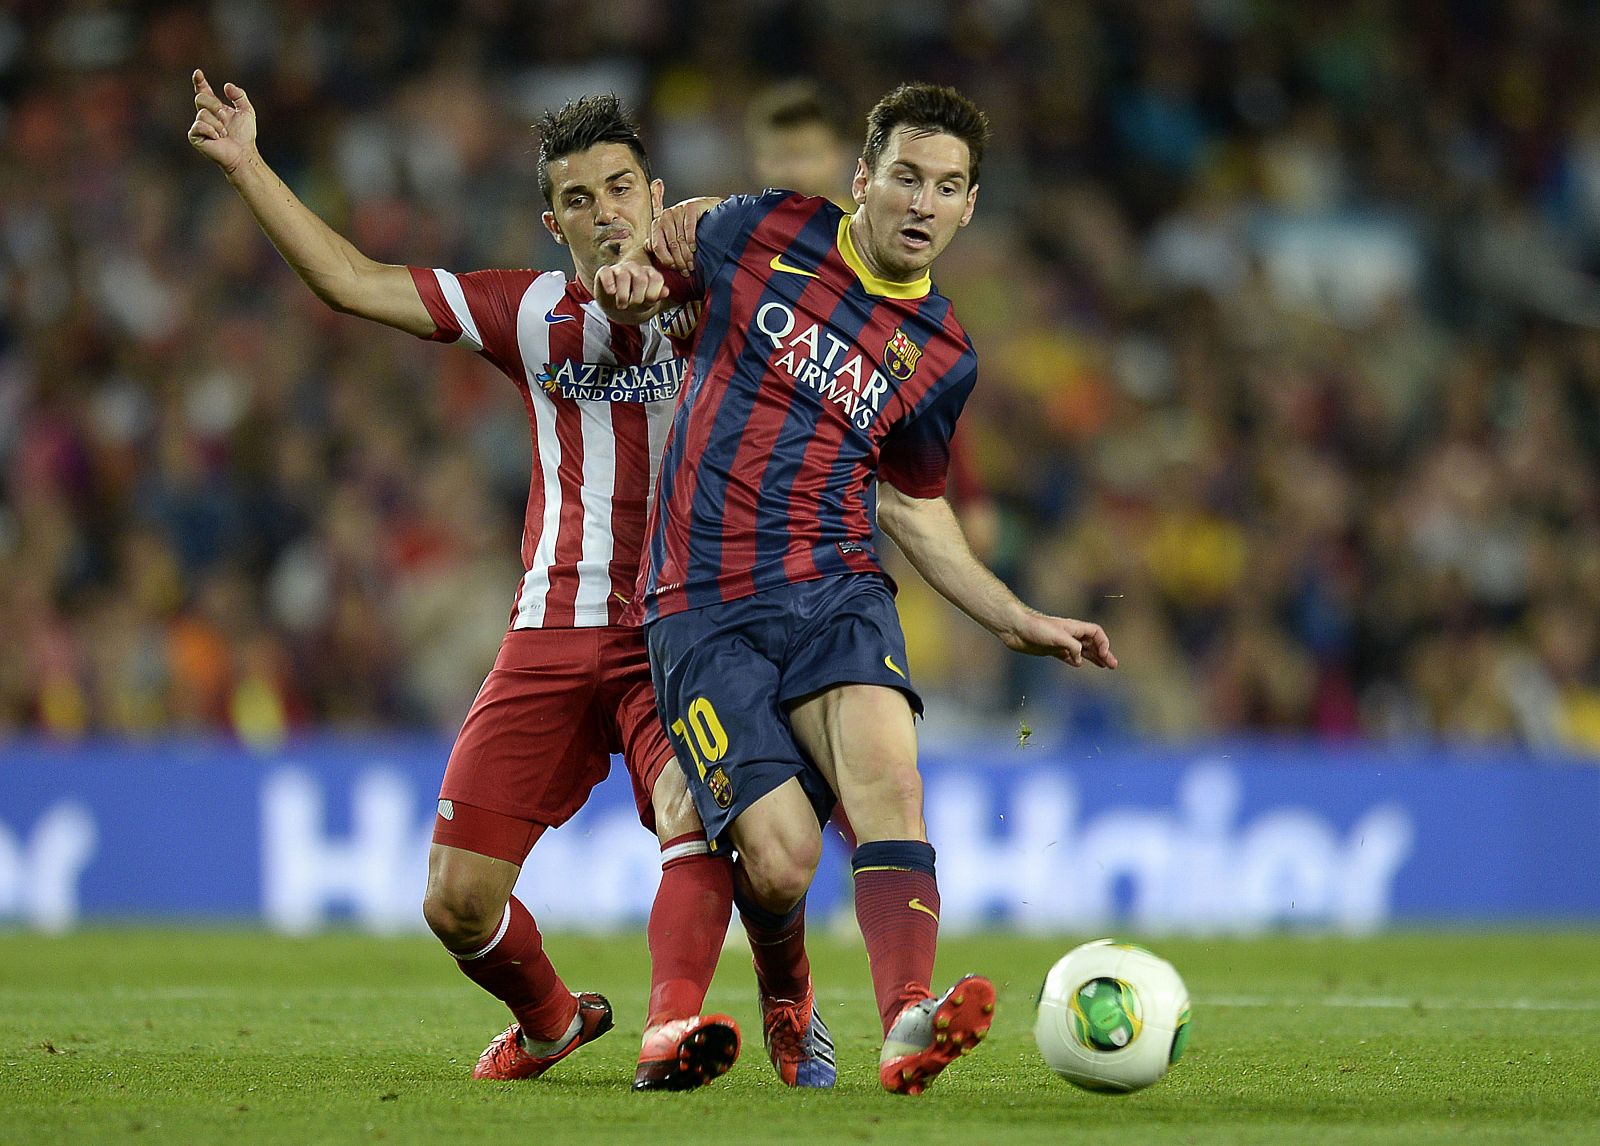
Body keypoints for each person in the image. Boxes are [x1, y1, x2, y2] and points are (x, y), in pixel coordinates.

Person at [188, 76, 767, 1092]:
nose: (605, 212)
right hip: (546, 631)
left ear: (654, 191)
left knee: (691, 811)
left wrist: (697, 239)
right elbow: (352, 283)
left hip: (675, 632)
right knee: (454, 902)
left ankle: (672, 1028)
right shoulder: (527, 310)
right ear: (554, 223)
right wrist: (246, 166)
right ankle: (549, 1023)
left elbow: (799, 244)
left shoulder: (723, 291)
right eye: (579, 199)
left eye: (621, 187)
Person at [597, 82, 1117, 1096]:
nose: (925, 203)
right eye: (909, 178)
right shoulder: (771, 230)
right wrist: (632, 270)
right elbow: (664, 250)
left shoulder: (945, 357)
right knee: (783, 862)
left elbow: (916, 508)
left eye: (950, 187)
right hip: (702, 604)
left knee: (891, 785)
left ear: (971, 206)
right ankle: (786, 994)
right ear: (861, 181)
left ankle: (905, 1024)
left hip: (837, 588)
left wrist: (1017, 617)